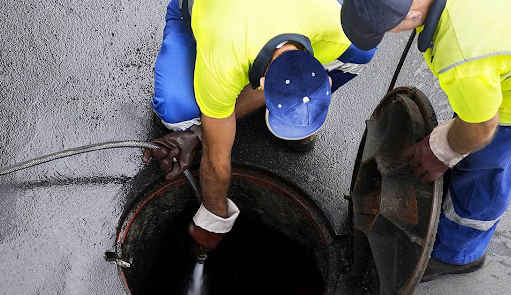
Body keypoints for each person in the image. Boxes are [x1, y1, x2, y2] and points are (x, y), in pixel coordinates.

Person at [340, 0, 511, 281]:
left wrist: (443, 150)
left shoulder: (464, 53)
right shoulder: (471, 49)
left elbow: (482, 128)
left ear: (413, 15)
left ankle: (457, 253)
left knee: (483, 168)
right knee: (473, 104)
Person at [141, 0, 376, 254]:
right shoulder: (223, 64)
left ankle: (286, 108)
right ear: (262, 84)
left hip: (276, 18)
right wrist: (214, 219)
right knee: (179, 117)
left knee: (361, 53)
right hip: (202, 12)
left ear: (321, 73)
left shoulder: (336, 27)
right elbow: (216, 155)